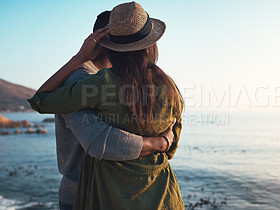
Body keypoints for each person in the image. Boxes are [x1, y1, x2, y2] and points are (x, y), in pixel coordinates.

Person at [28, 2, 184, 209]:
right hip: (163, 194)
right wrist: (159, 143)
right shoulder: (168, 85)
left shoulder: (102, 82)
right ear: (150, 44)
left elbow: (41, 101)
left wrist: (79, 56)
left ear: (101, 42)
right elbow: (170, 149)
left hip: (104, 194)